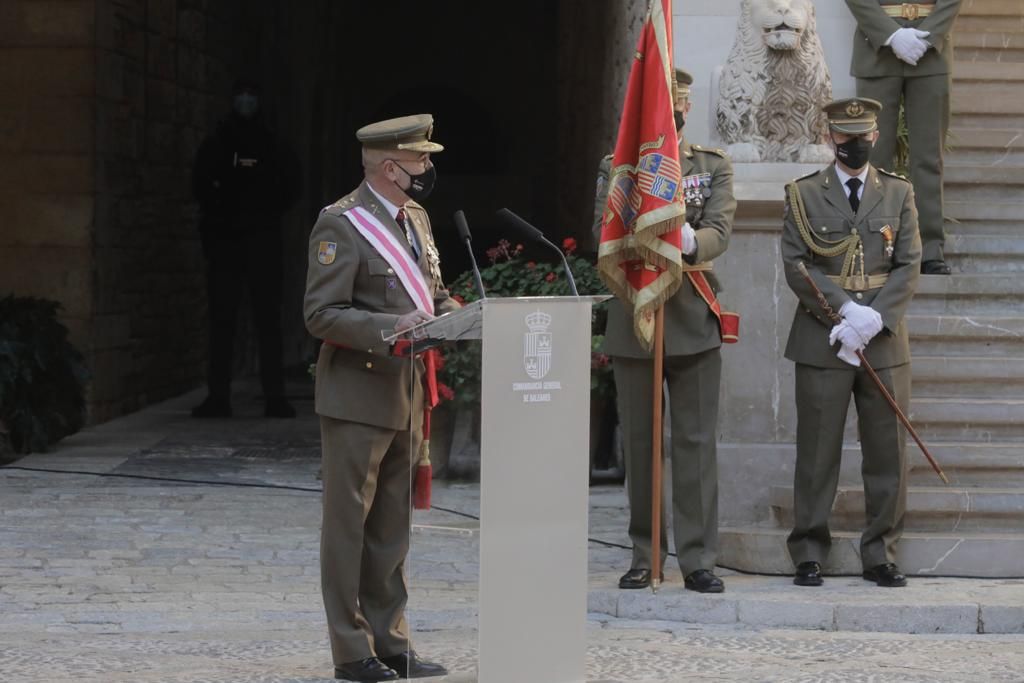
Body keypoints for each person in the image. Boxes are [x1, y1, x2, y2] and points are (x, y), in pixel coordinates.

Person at [303, 114, 458, 682]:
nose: (427, 170)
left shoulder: (415, 217)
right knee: (349, 526)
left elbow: (432, 293)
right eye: (420, 161)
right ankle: (351, 650)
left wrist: (451, 316)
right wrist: (393, 325)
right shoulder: (341, 225)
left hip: (406, 390)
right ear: (390, 167)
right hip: (356, 393)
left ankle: (392, 641)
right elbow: (320, 314)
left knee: (392, 528)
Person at [601, 69, 735, 594]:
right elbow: (603, 231)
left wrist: (685, 238)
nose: (671, 116)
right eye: (664, 107)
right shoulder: (617, 168)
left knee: (696, 443)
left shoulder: (712, 166)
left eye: (677, 107)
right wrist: (647, 230)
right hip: (636, 313)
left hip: (693, 317)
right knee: (640, 444)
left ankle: (699, 557)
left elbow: (720, 231)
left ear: (685, 108)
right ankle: (644, 552)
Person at [780, 97, 922, 589]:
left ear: (876, 137)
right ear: (829, 138)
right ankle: (809, 551)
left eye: (863, 137)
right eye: (846, 138)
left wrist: (874, 318)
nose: (855, 145)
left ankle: (881, 552)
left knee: (887, 453)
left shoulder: (898, 192)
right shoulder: (803, 194)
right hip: (823, 337)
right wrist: (845, 311)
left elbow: (908, 263)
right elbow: (797, 264)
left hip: (883, 340)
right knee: (817, 451)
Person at [191, 79, 300, 418]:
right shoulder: (219, 141)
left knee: (267, 321)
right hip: (227, 242)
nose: (246, 102)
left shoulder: (272, 143)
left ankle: (274, 395)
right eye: (242, 95)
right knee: (223, 322)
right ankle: (219, 396)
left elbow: (290, 186)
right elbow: (200, 184)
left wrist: (263, 210)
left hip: (261, 242)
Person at [845, 0, 963, 275]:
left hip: (930, 49)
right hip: (876, 48)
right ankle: (875, 248)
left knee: (928, 157)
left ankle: (929, 249)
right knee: (873, 157)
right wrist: (891, 34)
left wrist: (930, 35)